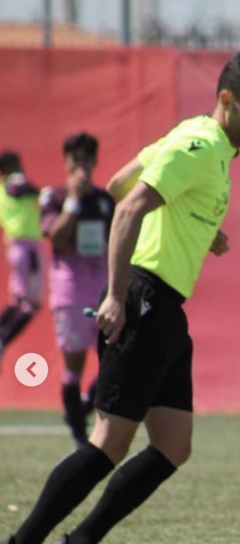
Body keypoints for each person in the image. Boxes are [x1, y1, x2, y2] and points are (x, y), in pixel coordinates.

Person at [0, 52, 240, 544]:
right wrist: (115, 294)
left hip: (165, 308)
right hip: (144, 300)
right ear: (226, 101)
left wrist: (202, 228)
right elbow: (127, 205)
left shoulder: (204, 147)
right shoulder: (200, 146)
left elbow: (120, 179)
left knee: (174, 445)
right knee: (109, 442)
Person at [39, 132, 115, 447]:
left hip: (103, 292)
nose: (81, 166)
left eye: (87, 159)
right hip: (69, 292)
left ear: (95, 162)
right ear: (66, 161)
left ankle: (81, 408)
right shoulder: (53, 197)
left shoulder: (104, 200)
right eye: (76, 160)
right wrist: (73, 200)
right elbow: (56, 237)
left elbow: (116, 243)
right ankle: (77, 434)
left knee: (114, 360)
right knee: (74, 363)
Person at [0, 151, 43, 362]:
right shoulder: (15, 182)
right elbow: (18, 187)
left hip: (16, 248)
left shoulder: (1, 191)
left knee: (18, 300)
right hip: (27, 249)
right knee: (31, 304)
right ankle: (3, 340)